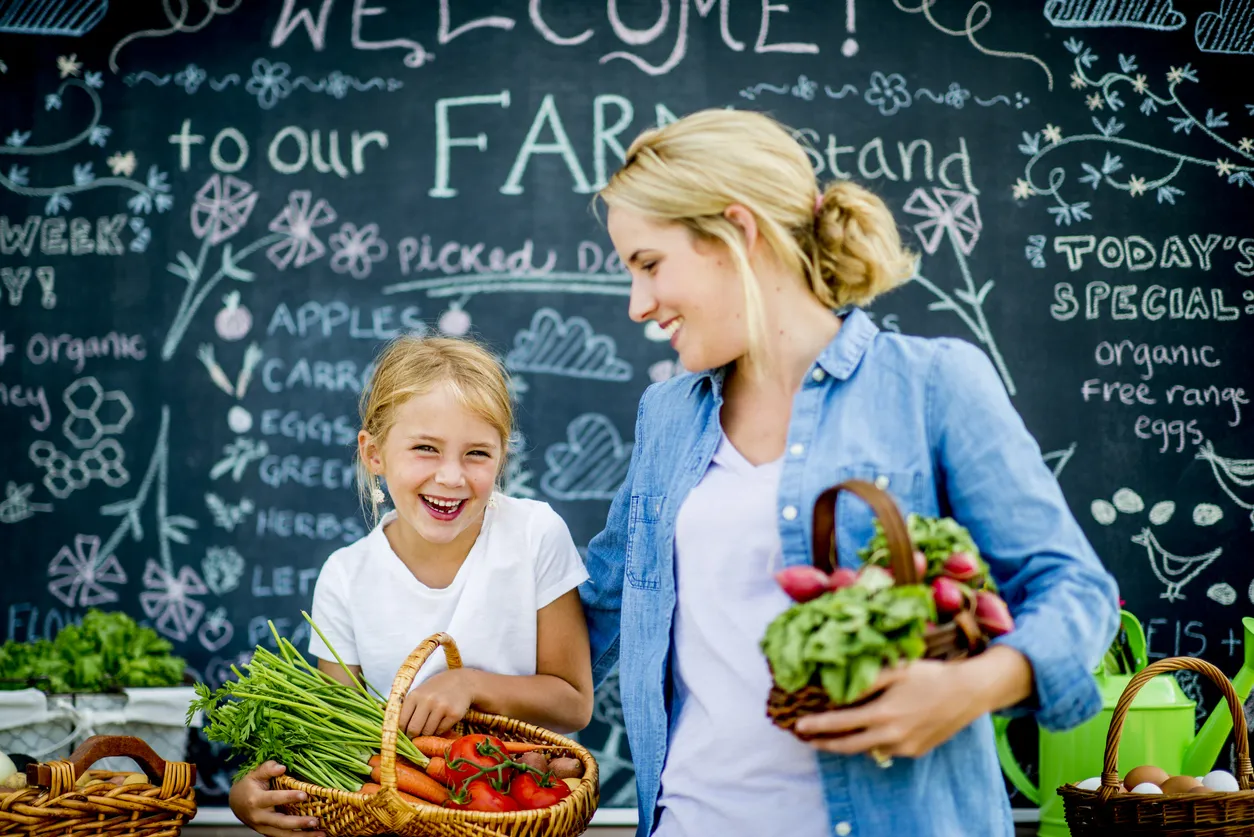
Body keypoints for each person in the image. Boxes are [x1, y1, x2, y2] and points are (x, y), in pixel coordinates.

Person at [580, 108, 1121, 837]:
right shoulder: (666, 415)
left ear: (738, 232)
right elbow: (595, 614)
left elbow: (1076, 589)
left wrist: (968, 688)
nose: (639, 303)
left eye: (649, 264)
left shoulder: (932, 384)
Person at [229, 335, 594, 837]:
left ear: (502, 458)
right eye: (425, 449)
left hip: (519, 811)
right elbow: (340, 744)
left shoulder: (534, 535)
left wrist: (469, 684)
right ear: (374, 454)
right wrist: (249, 793)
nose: (450, 476)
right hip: (400, 823)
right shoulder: (346, 576)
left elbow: (574, 702)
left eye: (477, 454)